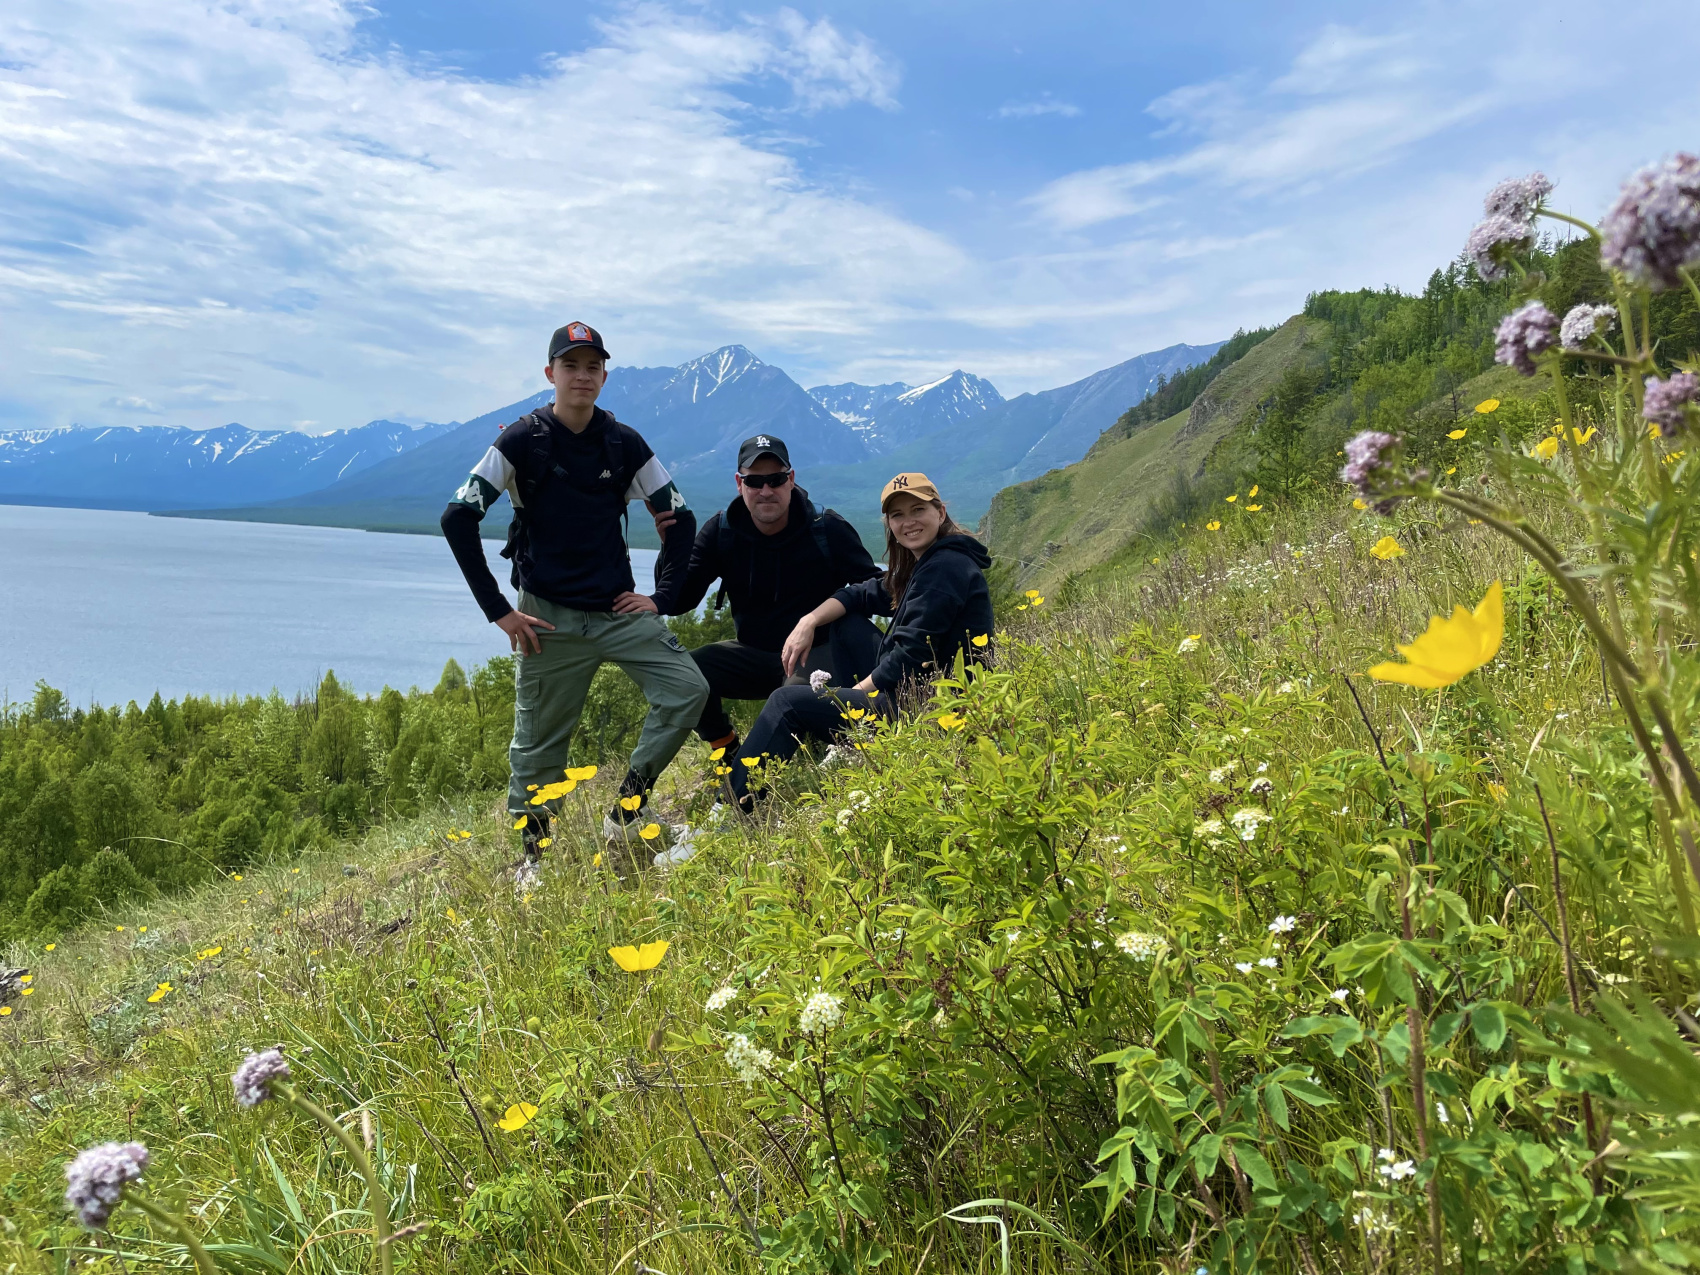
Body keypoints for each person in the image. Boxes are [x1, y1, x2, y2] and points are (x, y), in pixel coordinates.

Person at [440, 321, 709, 859]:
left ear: (604, 376)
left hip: (618, 611)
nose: (582, 376)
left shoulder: (624, 443)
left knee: (688, 690)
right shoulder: (522, 440)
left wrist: (660, 598)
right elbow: (457, 517)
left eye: (592, 367)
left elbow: (681, 518)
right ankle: (535, 856)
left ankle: (628, 811)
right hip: (547, 618)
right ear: (550, 374)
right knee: (539, 743)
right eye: (570, 366)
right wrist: (500, 611)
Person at [724, 471, 993, 811]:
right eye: (897, 515)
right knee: (845, 622)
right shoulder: (924, 563)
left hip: (933, 711)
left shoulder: (945, 569)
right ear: (889, 524)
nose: (908, 522)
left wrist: (852, 697)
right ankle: (844, 735)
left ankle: (731, 806)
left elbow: (911, 653)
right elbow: (861, 594)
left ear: (940, 513)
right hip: (917, 691)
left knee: (786, 702)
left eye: (918, 510)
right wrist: (809, 621)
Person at [659, 434, 882, 764]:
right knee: (680, 673)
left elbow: (878, 590)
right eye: (754, 481)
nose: (766, 491)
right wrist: (671, 548)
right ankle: (726, 748)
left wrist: (818, 617)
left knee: (789, 700)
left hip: (815, 654)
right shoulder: (722, 531)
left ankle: (766, 774)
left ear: (791, 480)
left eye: (776, 480)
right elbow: (679, 602)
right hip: (752, 654)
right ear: (740, 484)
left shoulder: (826, 528)